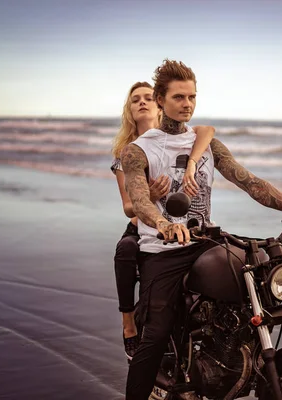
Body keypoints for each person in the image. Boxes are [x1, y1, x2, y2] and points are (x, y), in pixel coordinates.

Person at [121, 59, 282, 399]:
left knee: (257, 270)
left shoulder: (207, 145)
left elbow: (250, 182)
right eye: (178, 97)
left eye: (192, 97)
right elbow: (139, 199)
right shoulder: (139, 149)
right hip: (162, 249)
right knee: (156, 334)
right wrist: (163, 223)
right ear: (160, 100)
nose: (187, 104)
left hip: (204, 240)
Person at [111, 81, 215, 360]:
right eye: (135, 100)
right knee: (125, 251)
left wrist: (193, 161)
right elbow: (128, 208)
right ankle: (128, 324)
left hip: (185, 228)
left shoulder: (178, 138)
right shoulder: (127, 152)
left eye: (147, 97)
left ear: (158, 105)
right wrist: (151, 195)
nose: (142, 103)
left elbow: (206, 131)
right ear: (130, 111)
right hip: (142, 228)